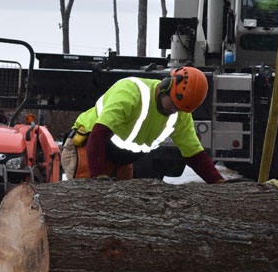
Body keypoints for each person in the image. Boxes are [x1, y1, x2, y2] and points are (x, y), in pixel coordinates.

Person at [61, 66, 224, 184]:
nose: (175, 111)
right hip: (89, 147)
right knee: (90, 204)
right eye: (173, 105)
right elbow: (99, 132)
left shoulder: (180, 114)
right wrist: (97, 175)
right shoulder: (131, 92)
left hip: (122, 160)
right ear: (166, 86)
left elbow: (194, 154)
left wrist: (217, 181)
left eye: (180, 109)